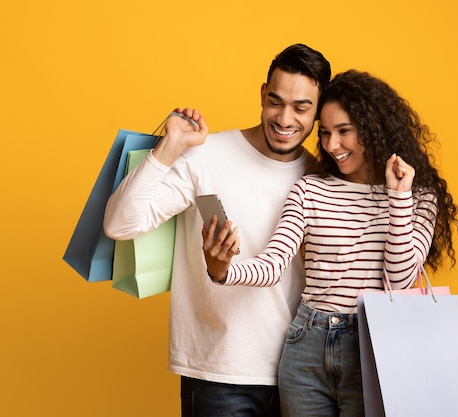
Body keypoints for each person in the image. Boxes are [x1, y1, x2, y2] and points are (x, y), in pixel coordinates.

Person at [204, 69, 458, 417]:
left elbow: (399, 283)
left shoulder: (418, 197)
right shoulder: (310, 190)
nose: (331, 146)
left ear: (373, 129)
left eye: (344, 132)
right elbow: (273, 264)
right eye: (325, 133)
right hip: (306, 346)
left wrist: (398, 199)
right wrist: (224, 270)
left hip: (374, 346)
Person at [103, 44, 331, 417]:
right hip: (216, 373)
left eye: (301, 107)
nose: (285, 118)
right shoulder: (207, 156)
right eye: (275, 101)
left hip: (300, 374)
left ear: (319, 110)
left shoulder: (320, 176)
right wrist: (170, 146)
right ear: (262, 94)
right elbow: (119, 224)